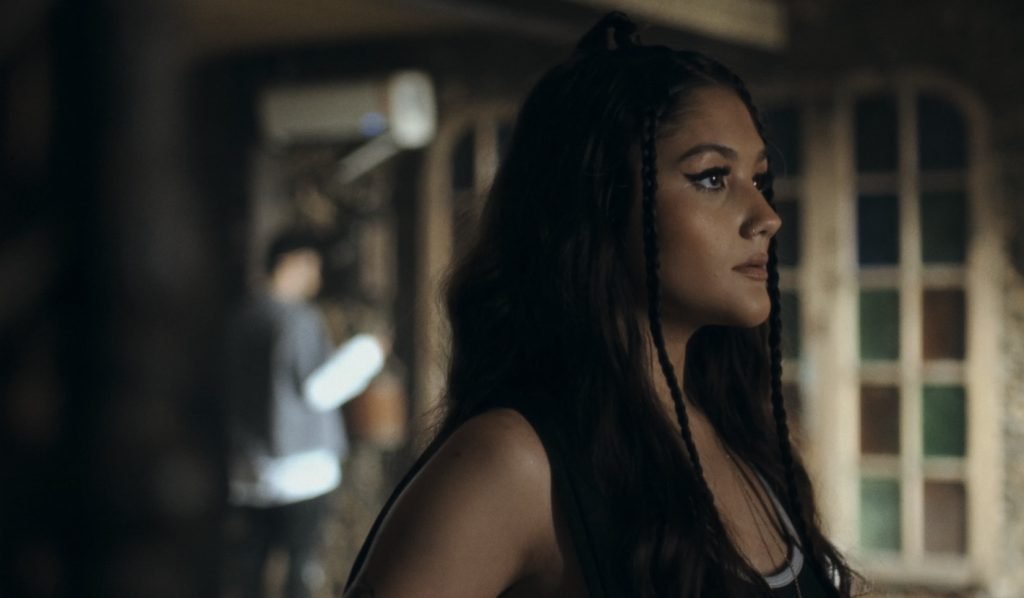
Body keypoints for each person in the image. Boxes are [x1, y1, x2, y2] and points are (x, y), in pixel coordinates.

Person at [344, 12, 860, 598]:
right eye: (712, 178)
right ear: (599, 202)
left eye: (759, 179)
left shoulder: (741, 438)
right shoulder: (515, 463)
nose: (766, 217)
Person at [223, 230, 386, 598]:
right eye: (313, 266)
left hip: (248, 469)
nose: (318, 277)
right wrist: (368, 353)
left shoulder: (241, 316)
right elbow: (318, 389)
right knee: (299, 571)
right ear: (291, 262)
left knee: (250, 570)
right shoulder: (297, 318)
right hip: (302, 470)